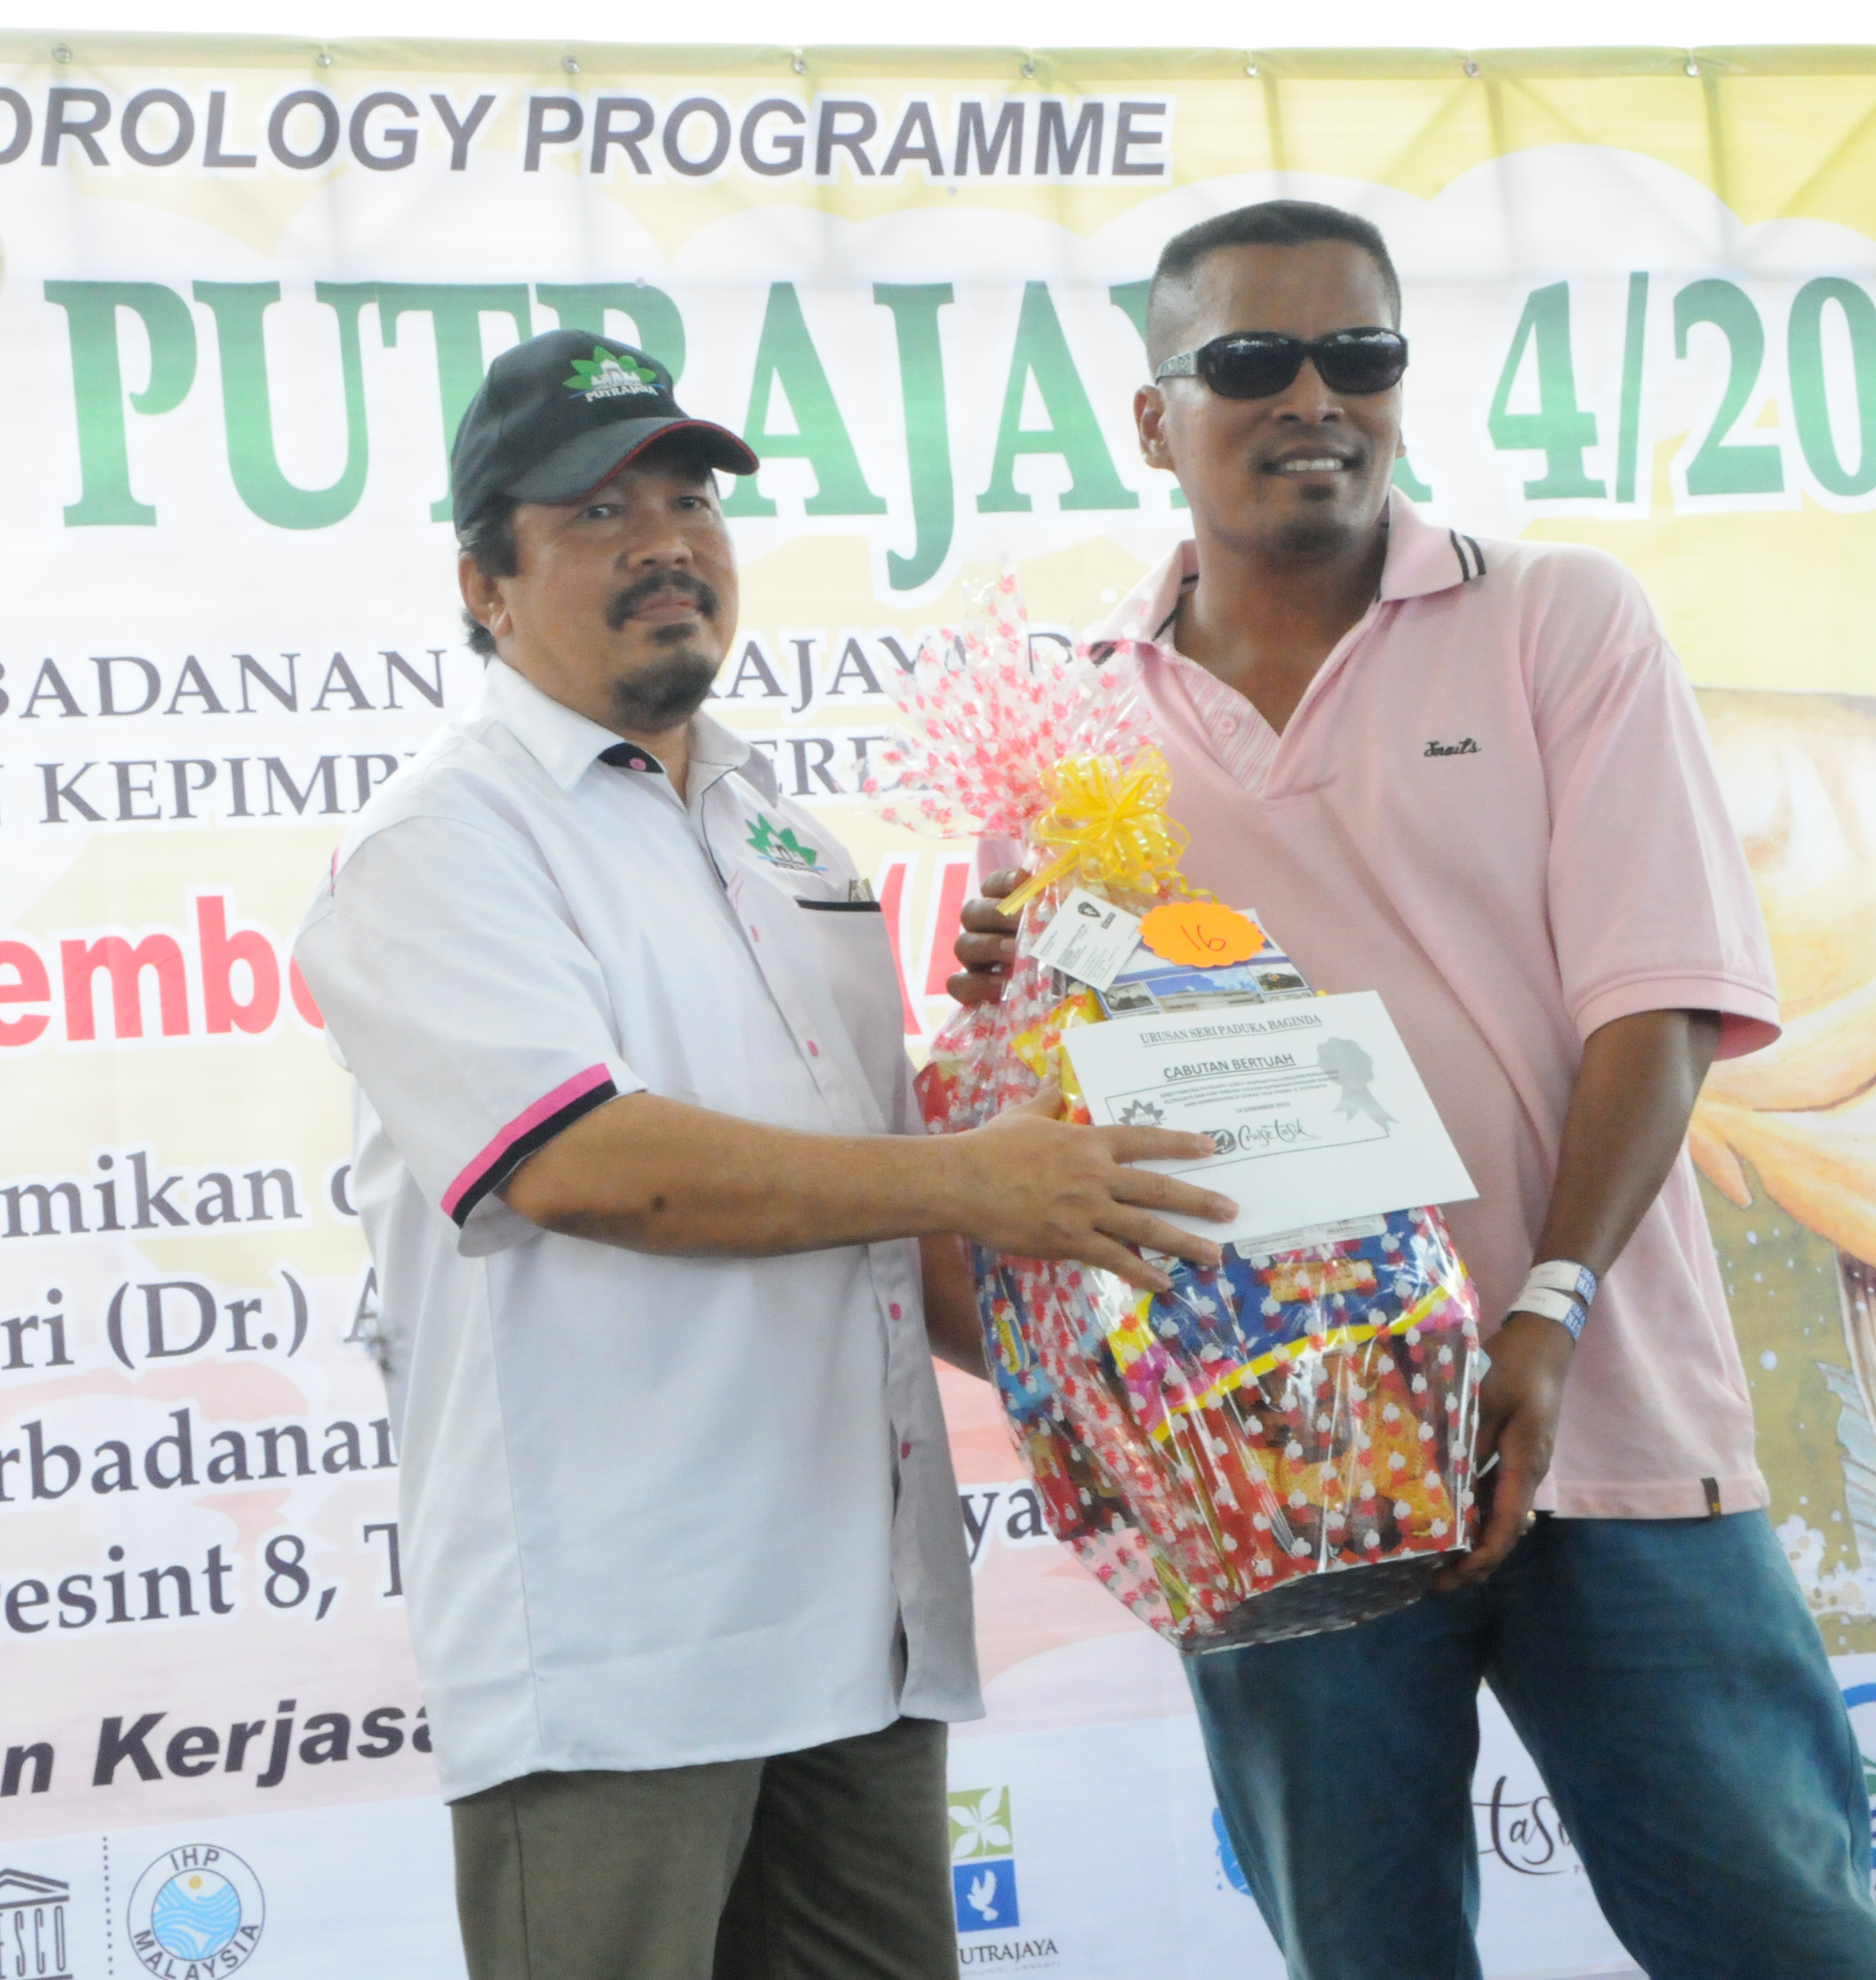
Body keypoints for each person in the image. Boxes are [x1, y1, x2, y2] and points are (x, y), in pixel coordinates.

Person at [952, 199, 1876, 1979]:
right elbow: (1052, 1112)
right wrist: (1013, 987)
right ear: (1151, 418)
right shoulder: (1069, 730)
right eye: (1250, 359)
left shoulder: (1554, 619)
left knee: (1782, 1938)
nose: (1312, 397)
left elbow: (1656, 999)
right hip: (1279, 1472)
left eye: (1356, 354)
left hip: (1595, 1414)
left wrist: (1546, 1305)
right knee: (1365, 1955)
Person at [293, 330, 1237, 1980]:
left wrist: (1136, 1344)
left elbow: (881, 1198)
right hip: (619, 1650)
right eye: (597, 512)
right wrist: (970, 1174)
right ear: (483, 585)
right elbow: (587, 1163)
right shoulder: (440, 840)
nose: (665, 543)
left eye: (689, 502)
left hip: (861, 1625)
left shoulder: (784, 833)